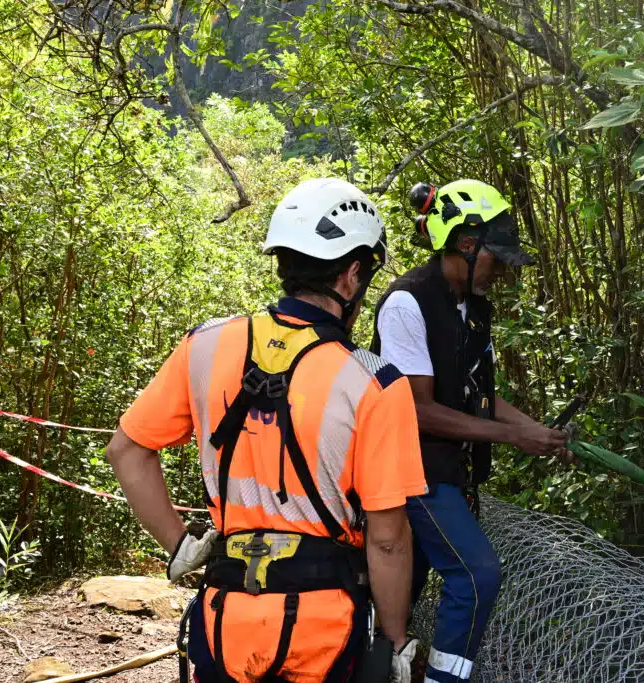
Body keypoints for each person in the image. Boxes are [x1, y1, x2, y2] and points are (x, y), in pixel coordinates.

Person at [105, 178, 427, 683]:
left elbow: (127, 450)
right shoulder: (375, 382)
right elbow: (387, 541)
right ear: (352, 276)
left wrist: (178, 543)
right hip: (323, 627)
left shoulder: (205, 345)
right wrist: (395, 640)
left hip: (226, 617)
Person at [370, 179, 571, 683]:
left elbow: (477, 393)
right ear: (465, 244)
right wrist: (512, 437)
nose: (501, 272)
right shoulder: (408, 303)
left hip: (446, 471)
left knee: (402, 588)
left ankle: (375, 666)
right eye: (495, 259)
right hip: (411, 471)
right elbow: (415, 410)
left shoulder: (473, 308)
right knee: (477, 575)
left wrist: (537, 432)